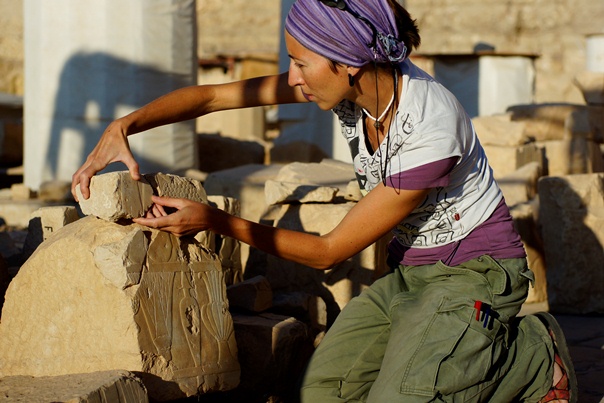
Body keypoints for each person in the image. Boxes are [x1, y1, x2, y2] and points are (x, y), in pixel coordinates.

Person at [72, 0, 577, 401]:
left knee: (405, 399)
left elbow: (330, 251)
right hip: (411, 275)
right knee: (322, 393)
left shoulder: (431, 130)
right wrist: (123, 126)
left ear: (349, 65)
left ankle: (532, 356)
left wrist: (215, 221)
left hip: (478, 272)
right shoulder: (348, 86)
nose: (291, 77)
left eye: (299, 64)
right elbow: (214, 97)